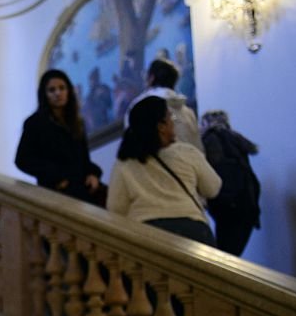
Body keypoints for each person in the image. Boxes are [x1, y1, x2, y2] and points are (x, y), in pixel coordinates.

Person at [108, 96, 221, 246]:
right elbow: (213, 188)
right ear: (161, 126)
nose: (173, 122)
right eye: (170, 117)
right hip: (192, 231)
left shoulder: (124, 163)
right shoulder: (186, 152)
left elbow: (116, 207)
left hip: (146, 236)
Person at [15, 69, 106, 207]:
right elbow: (22, 159)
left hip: (82, 188)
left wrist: (93, 174)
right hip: (55, 191)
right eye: (52, 90)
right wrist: (56, 177)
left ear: (69, 91)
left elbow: (83, 159)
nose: (58, 93)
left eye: (62, 88)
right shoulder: (35, 123)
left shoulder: (77, 123)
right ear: (45, 95)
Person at [200, 110, 261, 256]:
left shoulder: (209, 140)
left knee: (223, 257)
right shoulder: (236, 140)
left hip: (225, 207)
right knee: (231, 256)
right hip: (247, 206)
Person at [125, 59, 204, 151]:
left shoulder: (139, 108)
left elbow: (132, 145)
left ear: (151, 78)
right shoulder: (188, 113)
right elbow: (199, 148)